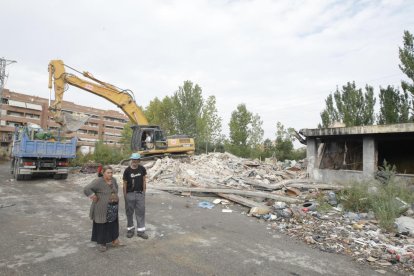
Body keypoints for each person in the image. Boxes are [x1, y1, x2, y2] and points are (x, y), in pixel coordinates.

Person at [84, 165, 121, 252]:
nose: (110, 174)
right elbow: (86, 189)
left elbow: (116, 190)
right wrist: (93, 196)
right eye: (108, 173)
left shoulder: (114, 180)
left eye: (111, 172)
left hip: (112, 207)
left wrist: (112, 191)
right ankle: (102, 243)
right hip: (101, 208)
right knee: (102, 225)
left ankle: (114, 240)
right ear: (103, 173)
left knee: (113, 223)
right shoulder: (98, 181)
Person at [123, 153, 148, 239]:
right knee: (129, 213)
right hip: (130, 194)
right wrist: (125, 196)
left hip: (139, 194)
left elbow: (144, 180)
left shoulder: (142, 169)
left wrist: (144, 192)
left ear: (139, 161)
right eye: (133, 160)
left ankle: (141, 231)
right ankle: (130, 230)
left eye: (136, 160)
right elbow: (124, 184)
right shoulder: (127, 171)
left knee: (140, 212)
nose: (134, 162)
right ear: (131, 160)